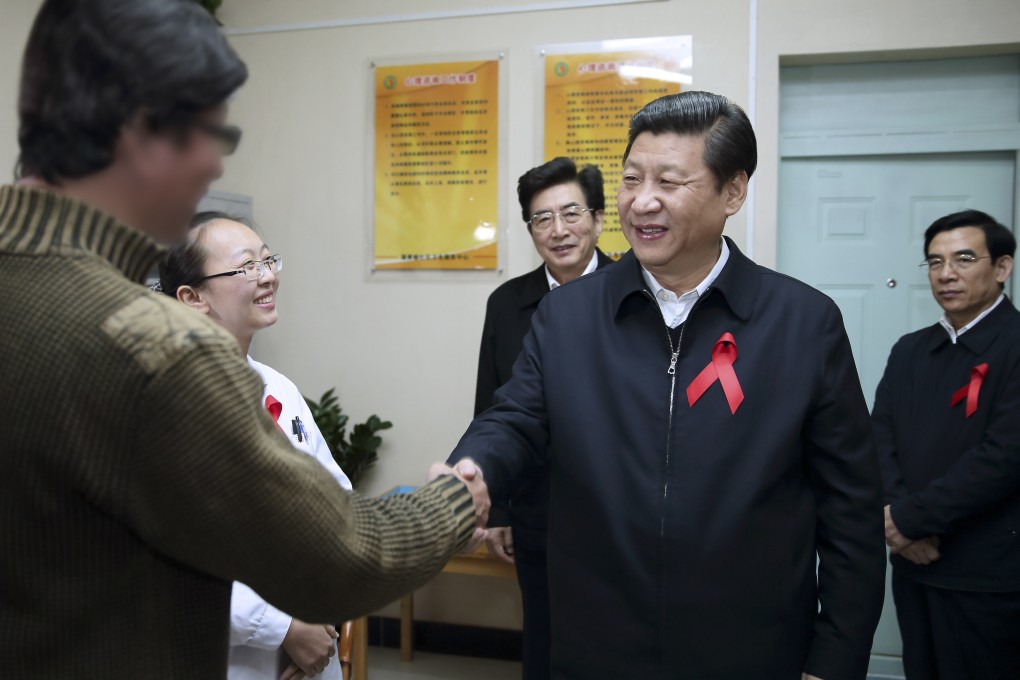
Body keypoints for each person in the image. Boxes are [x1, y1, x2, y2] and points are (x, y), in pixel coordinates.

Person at [0, 1, 487, 677]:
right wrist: (455, 502)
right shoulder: (150, 350)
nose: (213, 165)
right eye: (205, 129)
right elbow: (339, 557)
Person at [450, 91, 886, 679]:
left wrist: (834, 660)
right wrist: (473, 469)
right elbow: (515, 419)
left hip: (751, 651)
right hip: (597, 647)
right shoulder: (567, 318)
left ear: (733, 191)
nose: (642, 201)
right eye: (632, 179)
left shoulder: (803, 323)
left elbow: (851, 510)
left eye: (670, 181)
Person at [159, 212, 354, 680]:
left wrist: (320, 617)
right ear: (192, 297)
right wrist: (282, 629)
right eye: (246, 267)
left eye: (269, 261)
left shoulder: (277, 389)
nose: (268, 277)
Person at [475, 157, 614, 680]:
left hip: (622, 513)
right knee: (546, 642)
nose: (559, 230)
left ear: (598, 219)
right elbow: (492, 407)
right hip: (540, 511)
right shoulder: (507, 304)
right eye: (542, 218)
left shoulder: (640, 292)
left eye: (571, 212)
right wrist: (499, 511)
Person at [872, 210, 1020, 679]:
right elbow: (880, 438)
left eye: (963, 258)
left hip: (989, 574)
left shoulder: (1015, 347)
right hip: (915, 565)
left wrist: (906, 522)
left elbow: (1004, 458)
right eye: (934, 262)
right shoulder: (910, 349)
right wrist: (897, 521)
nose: (946, 274)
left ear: (1002, 267)